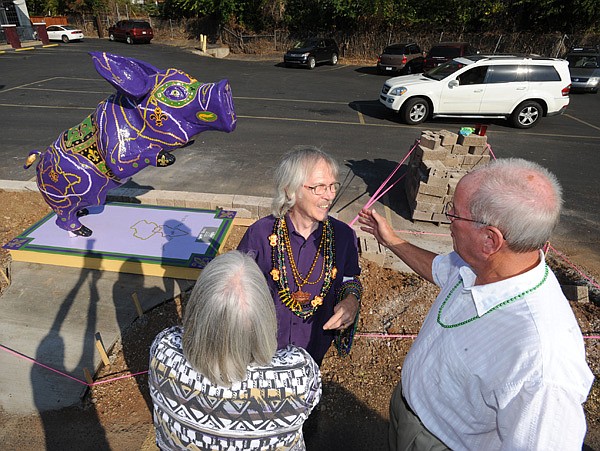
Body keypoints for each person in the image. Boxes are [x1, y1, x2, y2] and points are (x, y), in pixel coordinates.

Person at [358, 158, 594, 450]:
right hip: (407, 410)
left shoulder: (541, 358)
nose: (449, 223)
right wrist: (392, 240)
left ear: (489, 240)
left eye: (454, 214)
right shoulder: (477, 265)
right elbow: (439, 270)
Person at [148, 250, 321, 450]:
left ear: (197, 308)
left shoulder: (163, 351)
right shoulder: (297, 375)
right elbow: (309, 405)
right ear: (265, 318)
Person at [238, 146, 362, 365]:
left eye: (333, 186)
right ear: (290, 191)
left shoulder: (344, 237)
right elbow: (237, 286)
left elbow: (350, 280)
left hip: (314, 349)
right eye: (319, 187)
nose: (330, 196)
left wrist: (351, 301)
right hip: (263, 350)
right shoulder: (260, 233)